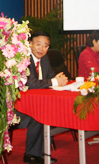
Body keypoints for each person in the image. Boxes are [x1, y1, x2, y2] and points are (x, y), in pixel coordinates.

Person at [19, 31, 68, 164]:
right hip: (20, 103)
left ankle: (43, 152)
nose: (42, 49)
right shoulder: (23, 59)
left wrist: (59, 80)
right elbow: (30, 83)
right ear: (30, 44)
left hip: (38, 101)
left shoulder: (45, 59)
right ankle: (30, 155)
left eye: (46, 46)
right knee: (38, 116)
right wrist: (53, 81)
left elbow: (51, 77)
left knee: (53, 111)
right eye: (38, 44)